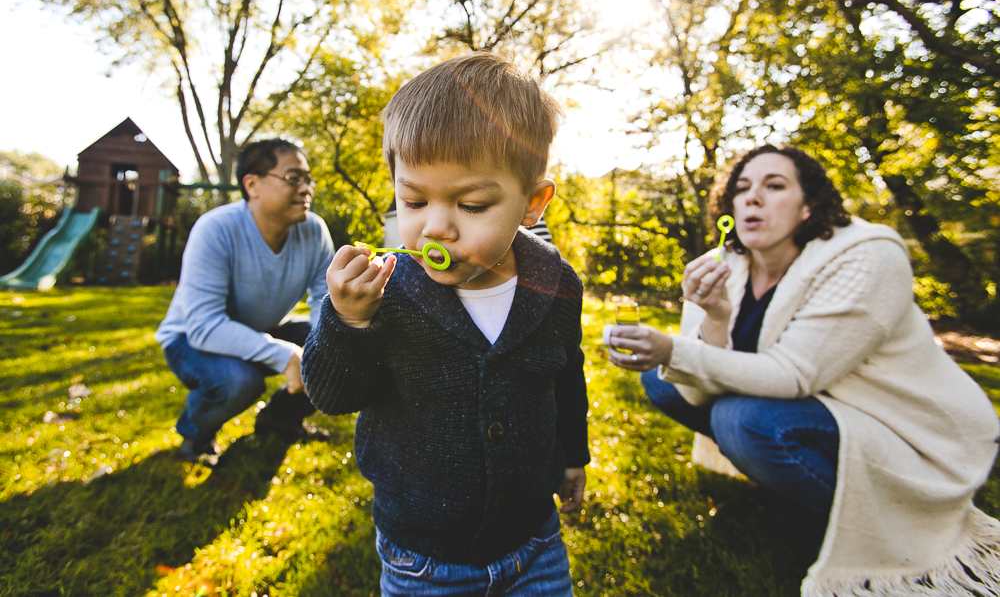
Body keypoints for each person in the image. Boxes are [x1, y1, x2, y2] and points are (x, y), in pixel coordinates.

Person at [605, 144, 1000, 596]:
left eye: (774, 186)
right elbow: (694, 389)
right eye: (742, 188)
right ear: (729, 206)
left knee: (737, 418)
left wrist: (673, 349)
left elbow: (793, 375)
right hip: (814, 408)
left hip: (903, 428)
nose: (753, 198)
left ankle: (856, 518)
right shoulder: (728, 262)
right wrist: (714, 316)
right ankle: (788, 479)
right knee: (662, 382)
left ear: (808, 204)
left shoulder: (866, 257)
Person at [301, 52, 590, 596]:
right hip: (424, 557)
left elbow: (565, 379)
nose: (436, 228)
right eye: (413, 200)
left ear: (533, 204)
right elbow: (333, 395)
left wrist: (574, 455)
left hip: (534, 542)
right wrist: (346, 321)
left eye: (473, 205)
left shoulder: (556, 285)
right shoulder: (387, 290)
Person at [156, 139, 335, 464]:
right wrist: (284, 355)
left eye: (308, 179)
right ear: (252, 184)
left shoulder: (314, 231)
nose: (306, 188)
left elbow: (323, 301)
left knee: (335, 350)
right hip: (190, 339)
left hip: (261, 327)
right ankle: (195, 435)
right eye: (294, 178)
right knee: (240, 382)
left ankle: (280, 418)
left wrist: (324, 351)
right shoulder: (215, 230)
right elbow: (203, 326)